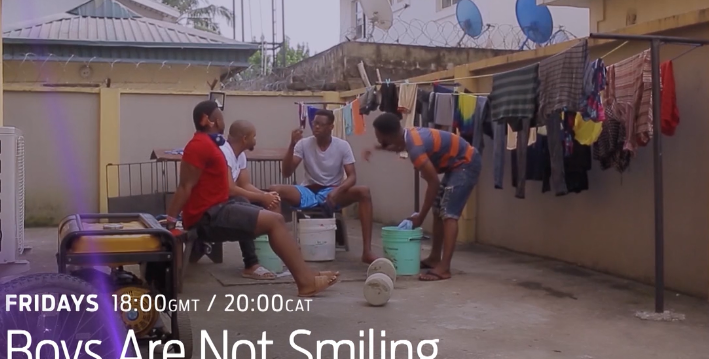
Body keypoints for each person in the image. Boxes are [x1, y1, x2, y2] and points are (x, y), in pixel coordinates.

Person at [164, 100, 338, 296]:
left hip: (219, 207)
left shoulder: (210, 144)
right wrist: (170, 220)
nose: (223, 120)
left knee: (273, 218)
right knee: (275, 221)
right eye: (219, 116)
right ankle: (305, 282)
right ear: (209, 120)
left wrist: (263, 196)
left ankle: (307, 275)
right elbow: (185, 186)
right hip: (208, 216)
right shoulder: (198, 146)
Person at [364, 113, 481, 281]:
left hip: (466, 163)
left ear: (387, 136)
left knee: (449, 214)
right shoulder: (407, 136)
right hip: (456, 164)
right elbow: (397, 146)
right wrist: (377, 148)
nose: (378, 139)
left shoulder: (416, 149)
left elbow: (433, 183)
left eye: (378, 137)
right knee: (438, 210)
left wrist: (420, 216)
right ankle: (435, 258)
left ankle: (444, 268)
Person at [270, 109, 378, 264]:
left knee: (364, 192)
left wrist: (337, 191)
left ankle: (367, 251)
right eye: (315, 123)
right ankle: (279, 248)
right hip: (308, 190)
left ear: (331, 127)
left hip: (332, 192)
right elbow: (286, 172)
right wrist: (292, 144)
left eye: (321, 124)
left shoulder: (342, 146)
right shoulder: (303, 144)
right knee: (275, 190)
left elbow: (352, 177)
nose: (316, 127)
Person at [220, 119, 282, 280]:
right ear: (245, 138)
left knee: (273, 200)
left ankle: (274, 257)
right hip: (218, 204)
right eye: (254, 136)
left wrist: (267, 196)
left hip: (232, 199)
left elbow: (245, 184)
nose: (255, 140)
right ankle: (251, 264)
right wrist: (262, 197)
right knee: (243, 204)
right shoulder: (224, 152)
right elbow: (230, 189)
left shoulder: (240, 155)